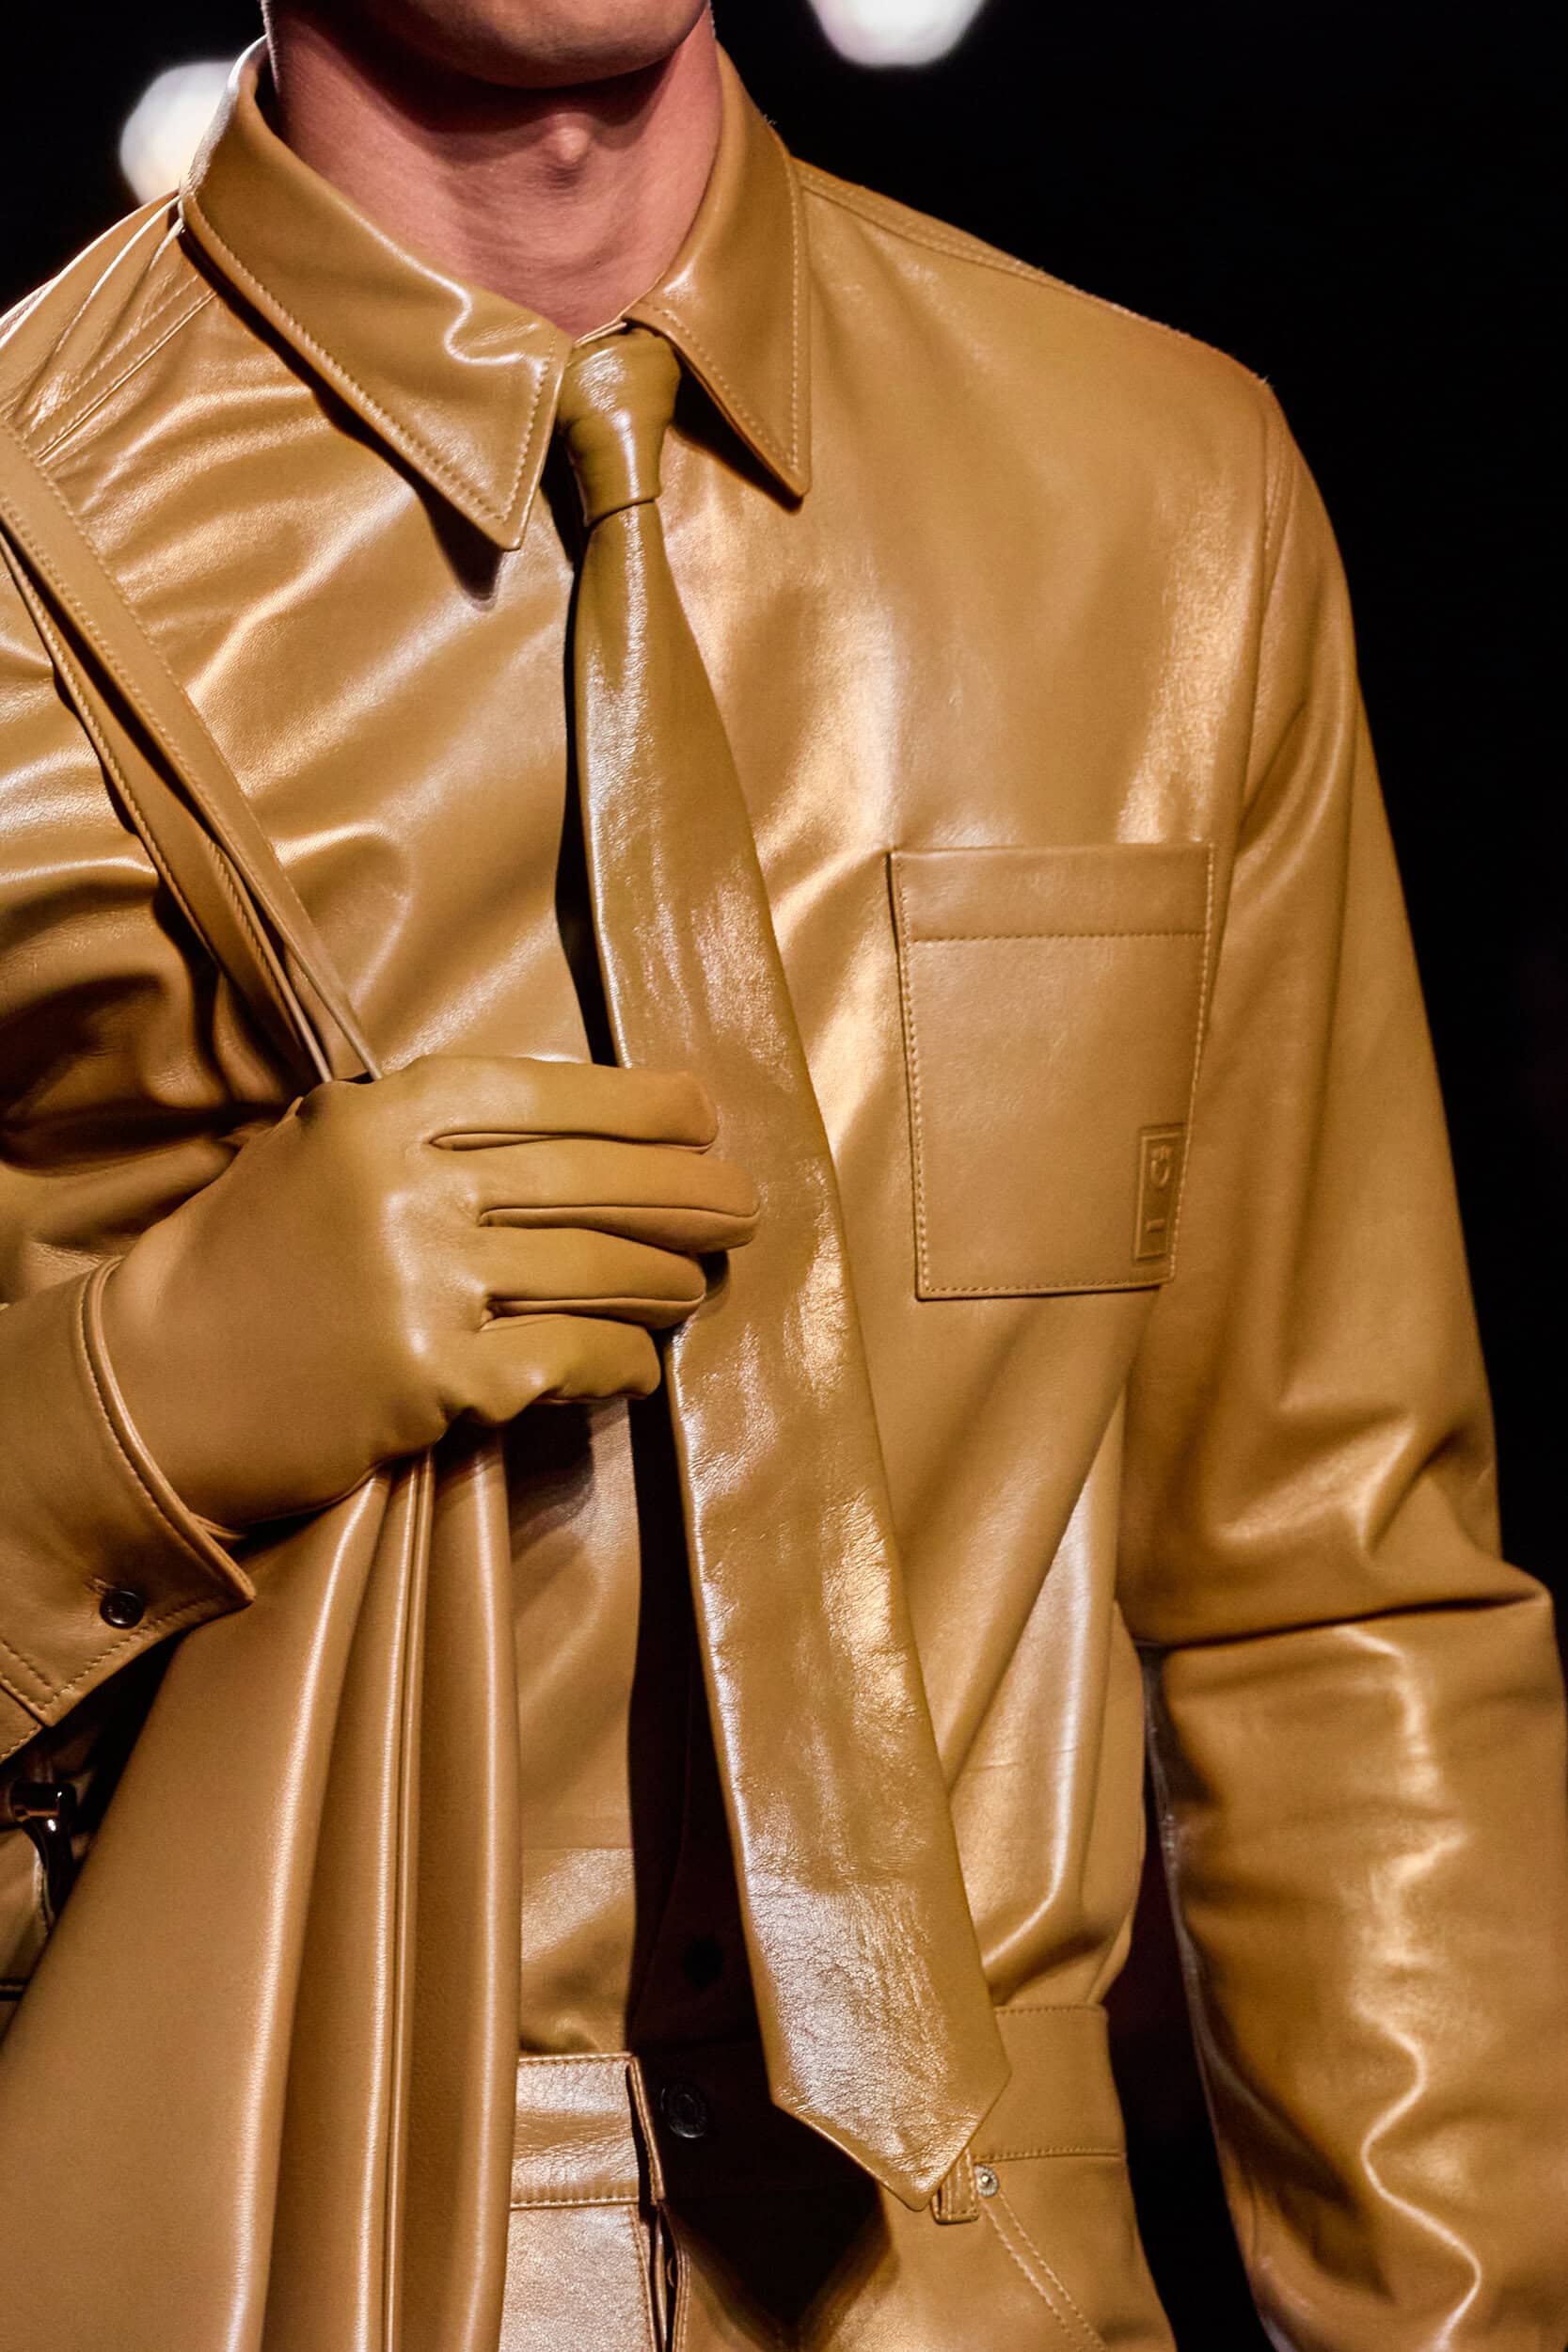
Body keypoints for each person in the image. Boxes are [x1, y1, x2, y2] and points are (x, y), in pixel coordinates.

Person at [0, 6, 1563, 2347]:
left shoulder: (1159, 489)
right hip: (257, 2239)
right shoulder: (26, 525)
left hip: (994, 2265)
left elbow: (1332, 1588)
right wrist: (133, 1410)